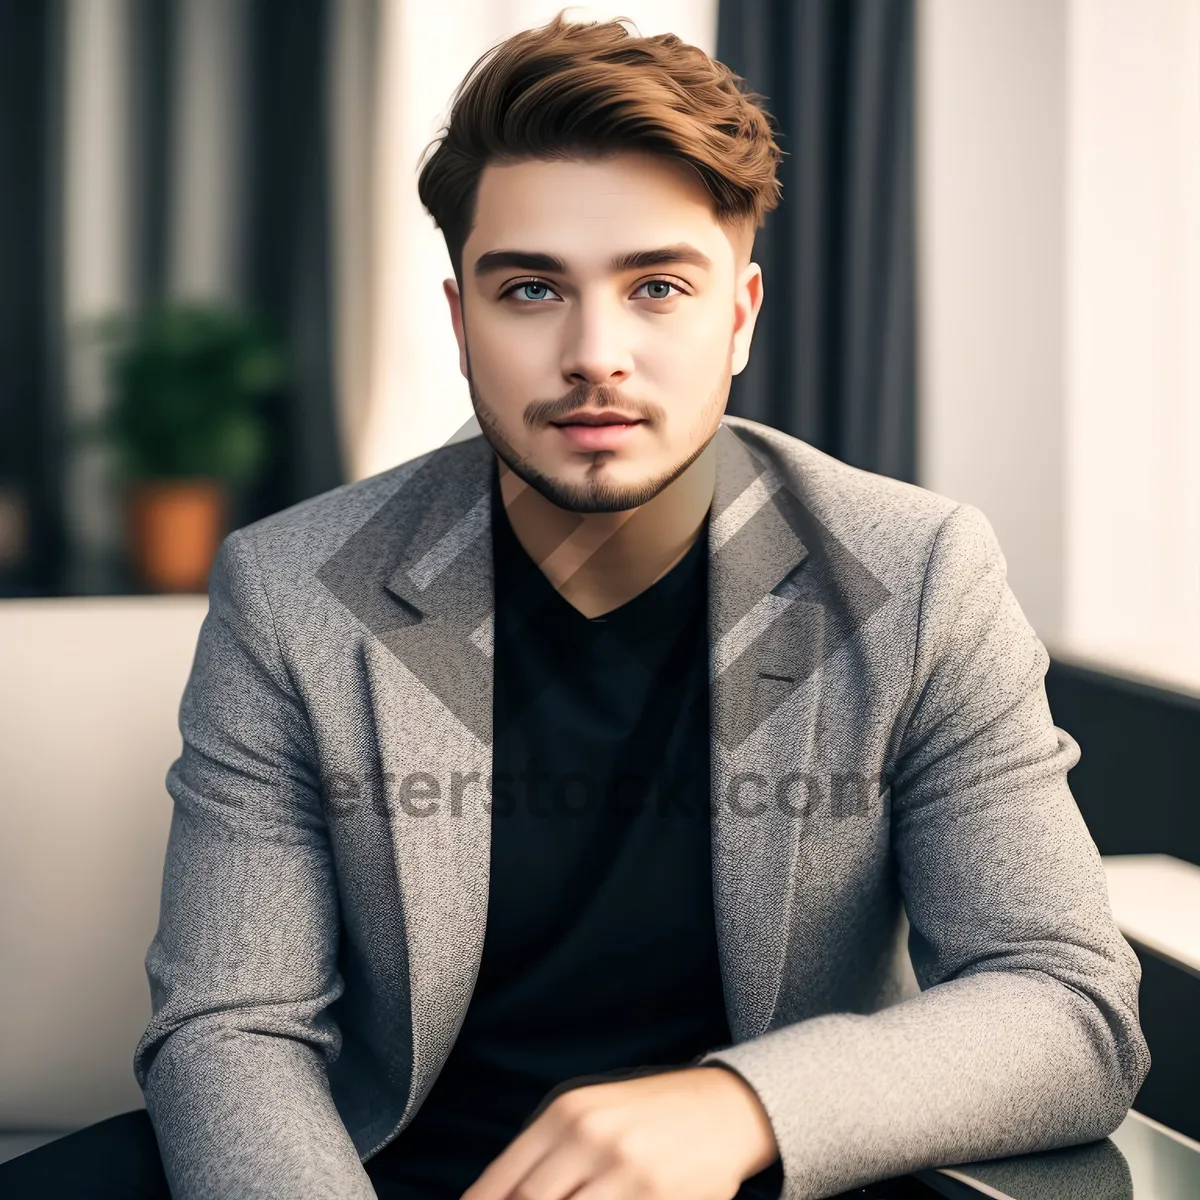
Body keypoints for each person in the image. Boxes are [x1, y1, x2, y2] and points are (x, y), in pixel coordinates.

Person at [0, 9, 1148, 1199]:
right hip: (380, 1170)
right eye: (532, 289)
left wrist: (743, 1104)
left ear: (740, 317)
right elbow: (234, 1029)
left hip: (768, 1174)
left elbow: (1066, 1003)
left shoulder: (915, 574)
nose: (596, 352)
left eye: (657, 286)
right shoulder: (293, 592)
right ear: (460, 323)